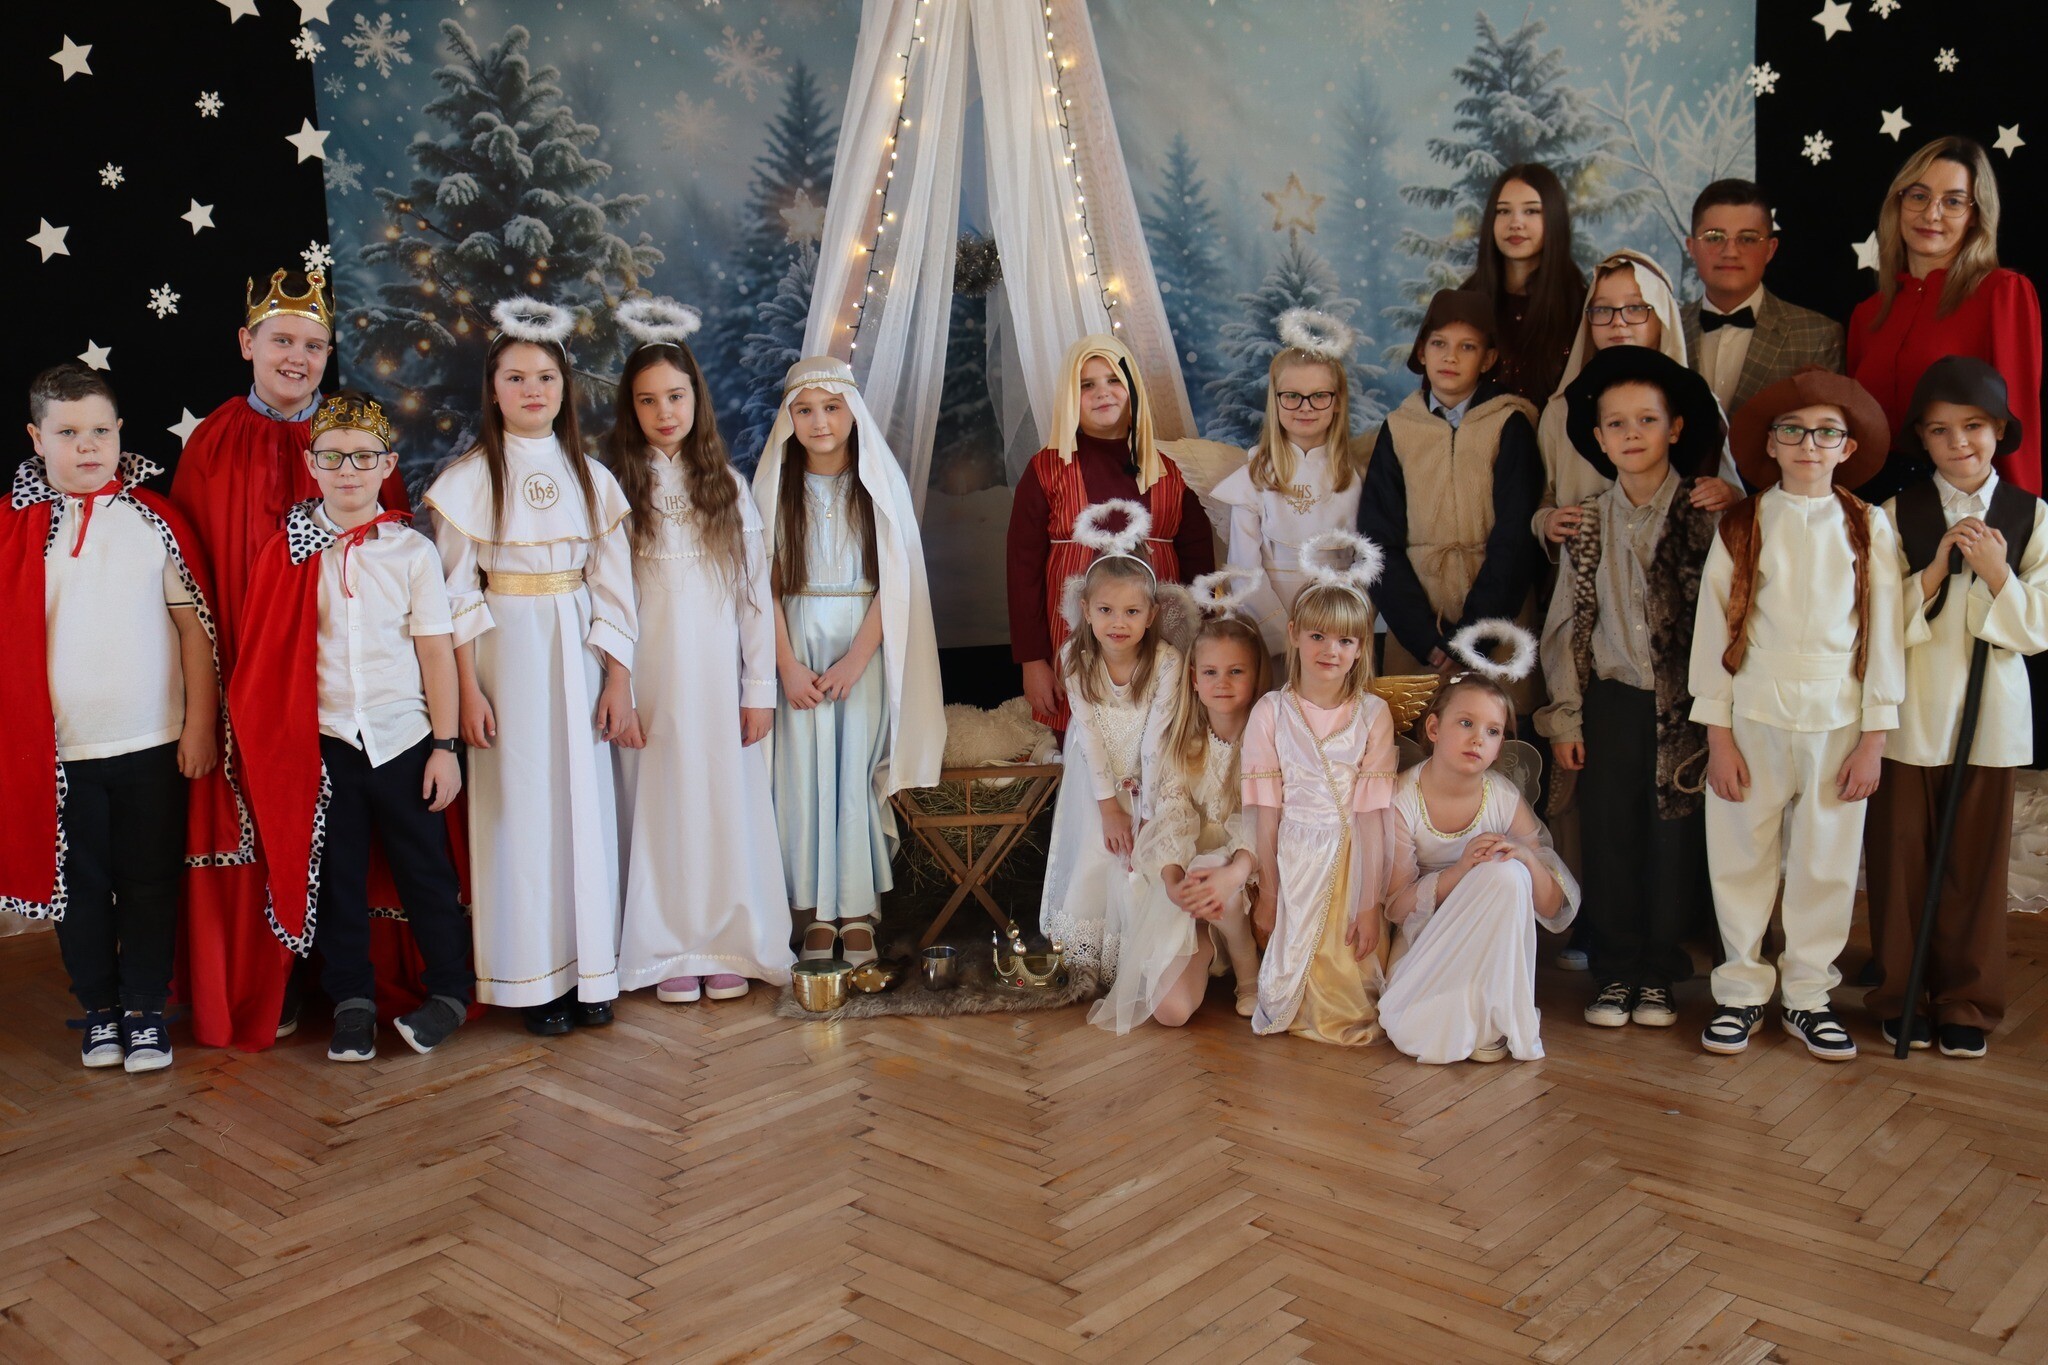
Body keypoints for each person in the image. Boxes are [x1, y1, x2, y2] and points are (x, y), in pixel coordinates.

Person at [172, 268, 409, 1050]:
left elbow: (393, 550)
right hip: (250, 680)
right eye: (281, 341)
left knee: (348, 830)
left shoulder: (352, 441)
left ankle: (349, 981)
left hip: (346, 682)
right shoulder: (212, 443)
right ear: (248, 344)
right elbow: (190, 581)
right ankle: (260, 981)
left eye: (312, 345)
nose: (296, 358)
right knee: (263, 815)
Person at [2, 365, 235, 1072]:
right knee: (78, 889)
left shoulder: (153, 520)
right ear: (37, 438)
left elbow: (195, 628)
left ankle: (144, 1008)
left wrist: (199, 725)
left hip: (152, 742)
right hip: (62, 753)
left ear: (120, 432)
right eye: (68, 432)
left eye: (100, 430)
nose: (87, 446)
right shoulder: (14, 528)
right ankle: (99, 1009)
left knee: (149, 881)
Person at [229, 393, 473, 1061]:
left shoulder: (411, 552)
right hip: (327, 744)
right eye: (332, 457)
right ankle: (352, 1002)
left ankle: (450, 990)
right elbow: (269, 658)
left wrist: (445, 746)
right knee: (338, 879)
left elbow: (435, 654)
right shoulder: (287, 553)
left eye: (363, 458)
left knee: (426, 871)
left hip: (404, 740)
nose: (347, 470)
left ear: (387, 465)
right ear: (311, 465)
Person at [424, 299, 640, 1037]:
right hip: (503, 655)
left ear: (563, 386)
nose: (531, 390)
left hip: (578, 651)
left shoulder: (592, 478)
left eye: (544, 376)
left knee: (584, 807)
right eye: (515, 377)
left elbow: (615, 589)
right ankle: (534, 979)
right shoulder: (467, 480)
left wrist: (618, 679)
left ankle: (592, 971)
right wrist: (467, 690)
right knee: (518, 812)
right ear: (493, 389)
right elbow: (454, 596)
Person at [1690, 370, 1905, 1061]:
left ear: (1847, 447)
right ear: (1771, 444)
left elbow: (1886, 633)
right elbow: (1712, 631)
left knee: (1826, 862)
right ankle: (1740, 991)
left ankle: (1809, 996)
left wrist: (1874, 738)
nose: (1809, 445)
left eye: (1825, 433)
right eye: (1794, 431)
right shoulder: (1743, 523)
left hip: (1838, 719)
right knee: (1740, 855)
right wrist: (1718, 735)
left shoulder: (1869, 526)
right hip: (1753, 714)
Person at [609, 310, 793, 1003]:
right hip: (650, 680)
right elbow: (607, 597)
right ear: (631, 409)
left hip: (718, 682)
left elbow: (753, 598)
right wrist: (619, 688)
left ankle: (727, 939)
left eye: (675, 396)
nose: (664, 412)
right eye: (648, 399)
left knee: (722, 805)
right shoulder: (615, 491)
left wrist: (758, 688)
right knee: (659, 808)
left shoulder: (728, 487)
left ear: (696, 399)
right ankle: (666, 947)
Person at [1866, 357, 2048, 1059]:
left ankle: (1966, 1000)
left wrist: (1999, 574)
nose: (1958, 442)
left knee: (1976, 865)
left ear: (1998, 430)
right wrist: (1936, 571)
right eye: (1939, 430)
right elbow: (1874, 621)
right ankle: (1900, 994)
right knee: (1901, 861)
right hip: (1910, 712)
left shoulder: (2032, 516)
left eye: (1973, 426)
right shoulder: (1894, 514)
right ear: (1922, 437)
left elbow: (2038, 628)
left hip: (1991, 718)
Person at [1538, 346, 1724, 1031]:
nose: (1632, 433)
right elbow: (1565, 625)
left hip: (1687, 705)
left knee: (1673, 839)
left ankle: (1659, 971)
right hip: (1612, 702)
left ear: (1675, 427)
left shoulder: (1706, 514)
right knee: (1611, 835)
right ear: (1598, 436)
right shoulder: (1588, 521)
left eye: (1647, 419)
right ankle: (1615, 970)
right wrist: (1566, 717)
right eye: (1616, 423)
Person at [755, 357, 943, 969]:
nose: (820, 422)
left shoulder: (876, 488)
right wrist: (786, 665)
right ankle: (814, 912)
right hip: (796, 654)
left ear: (852, 413)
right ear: (788, 419)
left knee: (852, 777)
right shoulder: (775, 491)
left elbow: (898, 581)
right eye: (805, 410)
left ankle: (858, 910)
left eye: (832, 407)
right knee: (802, 779)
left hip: (862, 654)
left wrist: (856, 661)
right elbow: (762, 586)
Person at [1090, 569, 1270, 1032]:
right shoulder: (1184, 744)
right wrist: (1171, 879)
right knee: (1171, 1013)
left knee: (1212, 866)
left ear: (1256, 677)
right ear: (1193, 679)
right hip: (1189, 881)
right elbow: (1172, 812)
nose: (1222, 682)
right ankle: (1207, 945)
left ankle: (1248, 969)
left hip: (1246, 874)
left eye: (1236, 672)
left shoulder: (1266, 742)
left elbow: (1262, 817)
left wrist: (1235, 870)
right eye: (1211, 672)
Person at [1007, 334, 1215, 730]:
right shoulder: (1047, 470)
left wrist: (1201, 648)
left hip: (1159, 645)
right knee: (1083, 746)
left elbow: (1198, 564)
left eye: (1114, 380)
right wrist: (1032, 661)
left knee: (1156, 741)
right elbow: (1022, 570)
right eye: (1087, 385)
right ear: (1070, 396)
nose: (1102, 392)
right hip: (1070, 639)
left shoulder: (1171, 471)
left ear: (1133, 388)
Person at [1381, 657, 1578, 1064]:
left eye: (1492, 731)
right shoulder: (1403, 799)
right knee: (1415, 1029)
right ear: (1434, 729)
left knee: (1509, 872)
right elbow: (1397, 906)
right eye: (1466, 723)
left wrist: (1526, 858)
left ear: (1499, 745)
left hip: (1488, 945)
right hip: (1428, 941)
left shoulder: (1502, 797)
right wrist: (1460, 871)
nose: (1477, 739)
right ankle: (1455, 1011)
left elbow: (1551, 906)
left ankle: (1490, 1013)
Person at [1245, 532, 1398, 1046]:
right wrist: (1269, 891)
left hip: (1353, 856)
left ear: (1361, 648)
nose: (1331, 650)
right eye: (1318, 636)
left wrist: (1369, 902)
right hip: (1294, 855)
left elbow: (1373, 815)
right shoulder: (1270, 712)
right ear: (1293, 634)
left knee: (1351, 982)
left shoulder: (1373, 714)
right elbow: (1266, 812)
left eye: (1346, 641)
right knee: (1291, 976)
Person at [1357, 290, 1544, 702]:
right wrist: (1422, 637)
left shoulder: (1509, 423)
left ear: (1488, 359)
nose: (1451, 357)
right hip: (1422, 624)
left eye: (1467, 347)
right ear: (1421, 351)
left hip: (1498, 619)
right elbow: (1377, 538)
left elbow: (1516, 535)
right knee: (1419, 728)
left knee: (1494, 726)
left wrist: (1473, 636)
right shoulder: (1400, 428)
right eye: (1439, 343)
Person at [1038, 501, 1190, 985]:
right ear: (1086, 610)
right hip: (1095, 774)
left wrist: (1146, 813)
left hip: (1148, 774)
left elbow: (1156, 742)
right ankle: (1087, 955)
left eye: (1131, 612)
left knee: (1135, 859)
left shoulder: (1166, 662)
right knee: (1097, 853)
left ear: (1151, 614)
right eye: (1105, 610)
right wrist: (1108, 806)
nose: (1117, 623)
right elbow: (1087, 733)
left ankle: (1133, 954)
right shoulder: (1075, 658)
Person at [1849, 137, 2042, 500]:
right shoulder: (1868, 314)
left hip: (1965, 507)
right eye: (1918, 196)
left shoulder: (2002, 292)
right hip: (1869, 507)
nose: (1931, 214)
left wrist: (2020, 518)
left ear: (1975, 216)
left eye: (1952, 202)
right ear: (1898, 203)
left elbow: (2020, 425)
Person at [1534, 250, 1741, 547]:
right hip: (1588, 568)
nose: (1618, 322)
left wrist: (1728, 495)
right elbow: (1544, 496)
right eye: (1603, 309)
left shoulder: (1699, 404)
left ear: (1662, 317)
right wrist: (1546, 521)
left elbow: (1734, 493)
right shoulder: (1560, 410)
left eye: (1635, 308)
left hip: (1671, 567)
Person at [1211, 313, 1368, 661]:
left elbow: (1364, 567)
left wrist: (1335, 636)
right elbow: (1244, 571)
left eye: (1319, 396)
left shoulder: (1355, 478)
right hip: (1276, 638)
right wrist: (1286, 636)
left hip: (1338, 640)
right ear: (1276, 399)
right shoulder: (1255, 479)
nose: (1305, 407)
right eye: (1292, 396)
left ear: (1337, 401)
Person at [1680, 179, 1845, 417]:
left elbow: (1826, 430)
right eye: (1715, 237)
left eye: (1747, 238)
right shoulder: (1666, 328)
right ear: (1691, 247)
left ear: (1770, 249)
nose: (1730, 252)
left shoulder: (1818, 337)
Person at [1462, 164, 1585, 406]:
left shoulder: (1581, 306)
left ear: (1555, 219)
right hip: (1473, 430)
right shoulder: (1466, 301)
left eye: (1531, 211)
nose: (1515, 223)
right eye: (1503, 211)